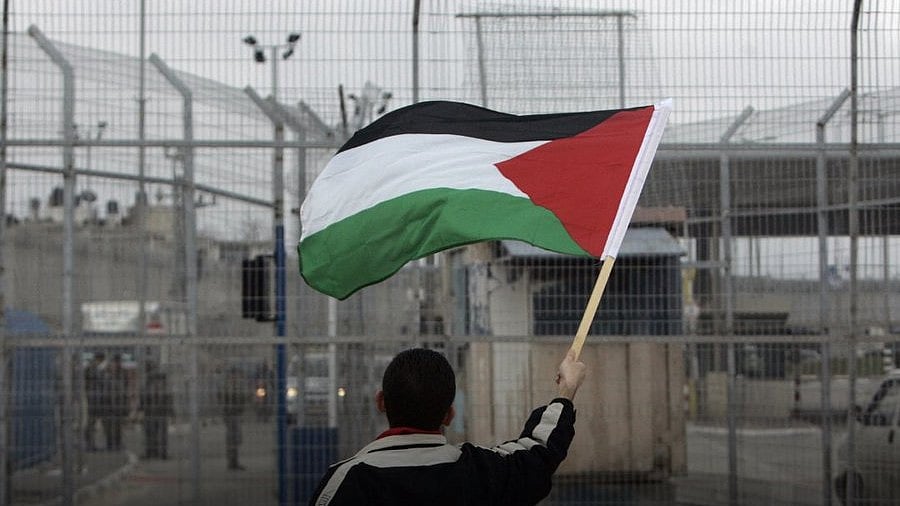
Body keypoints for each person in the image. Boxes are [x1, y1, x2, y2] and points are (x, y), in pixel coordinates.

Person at [309, 347, 587, 506]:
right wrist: (566, 390)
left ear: (381, 402)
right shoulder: (482, 472)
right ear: (449, 414)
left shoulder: (345, 482)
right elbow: (538, 451)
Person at [139, 371, 174, 459]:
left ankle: (162, 453)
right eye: (156, 381)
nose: (158, 383)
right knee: (150, 434)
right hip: (150, 414)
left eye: (160, 381)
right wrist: (140, 412)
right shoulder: (147, 389)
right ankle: (151, 452)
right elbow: (142, 402)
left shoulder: (165, 390)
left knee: (162, 435)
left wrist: (172, 414)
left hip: (161, 414)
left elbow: (169, 402)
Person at [220, 367, 250, 470]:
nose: (235, 377)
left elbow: (242, 399)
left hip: (235, 414)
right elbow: (223, 399)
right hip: (230, 414)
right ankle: (231, 462)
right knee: (232, 438)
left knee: (235, 438)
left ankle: (234, 461)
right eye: (234, 375)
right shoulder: (228, 387)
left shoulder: (237, 386)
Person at [101, 353, 129, 451]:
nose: (115, 365)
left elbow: (125, 390)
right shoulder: (106, 375)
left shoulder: (122, 375)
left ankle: (117, 443)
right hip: (108, 405)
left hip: (118, 405)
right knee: (108, 426)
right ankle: (110, 444)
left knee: (117, 425)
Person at [83, 352, 105, 452]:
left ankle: (91, 444)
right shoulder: (92, 369)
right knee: (91, 422)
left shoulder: (92, 368)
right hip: (93, 398)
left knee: (92, 422)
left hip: (93, 397)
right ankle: (89, 444)